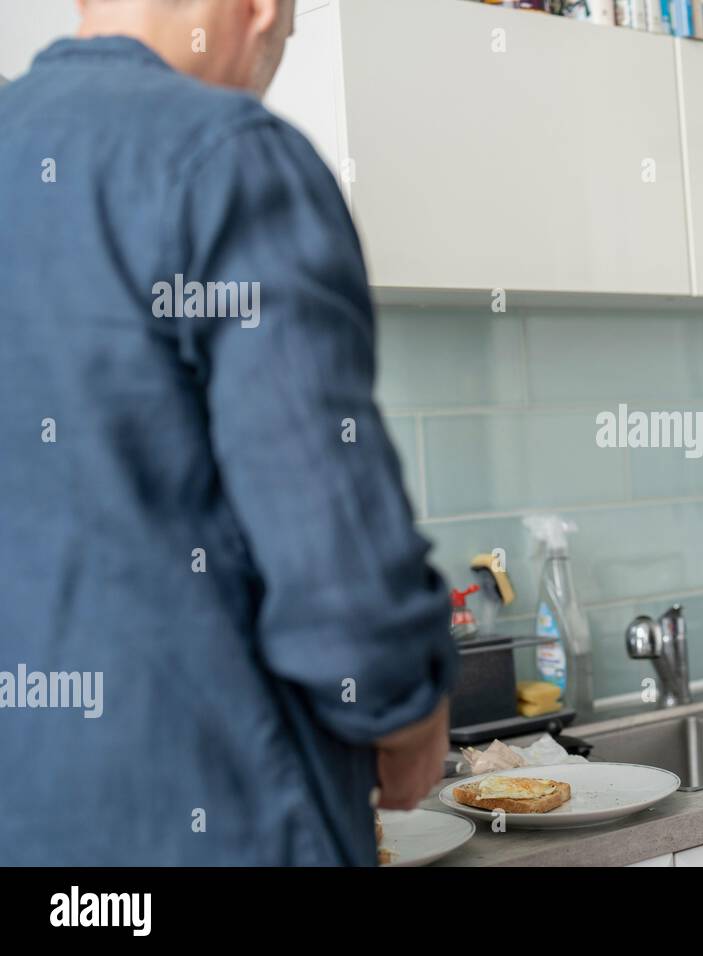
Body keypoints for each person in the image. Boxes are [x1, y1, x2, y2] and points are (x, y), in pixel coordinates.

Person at [0, 0, 458, 864]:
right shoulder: (232, 159)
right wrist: (408, 712)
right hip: (213, 811)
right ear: (261, 11)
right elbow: (330, 535)